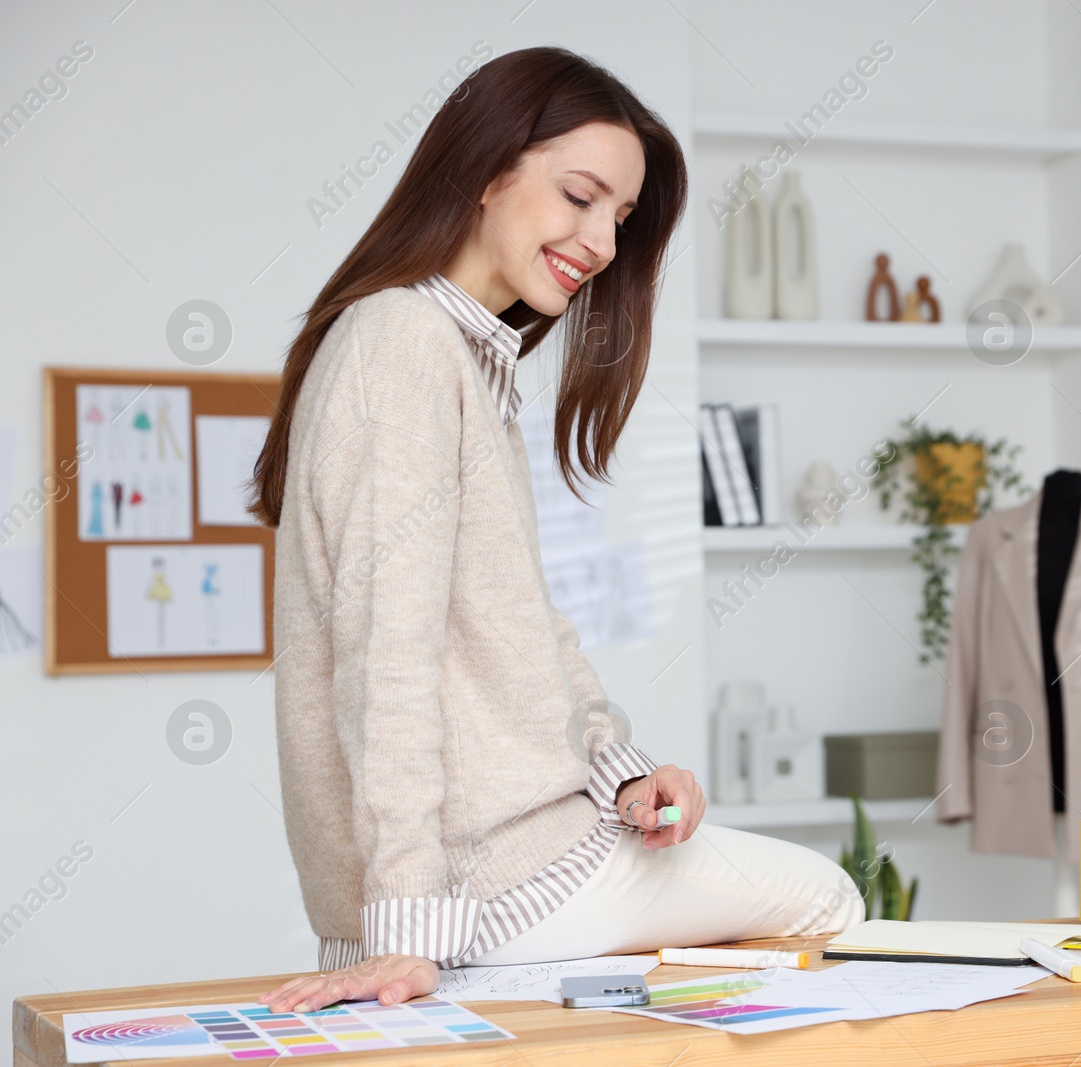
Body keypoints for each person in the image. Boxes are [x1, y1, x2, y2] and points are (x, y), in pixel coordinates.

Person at [248, 46, 864, 1015]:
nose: (603, 244)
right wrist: (406, 928)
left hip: (501, 867)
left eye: (619, 219)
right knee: (829, 895)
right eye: (580, 196)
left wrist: (623, 773)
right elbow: (387, 654)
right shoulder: (403, 342)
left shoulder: (457, 355)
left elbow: (517, 624)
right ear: (488, 168)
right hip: (484, 883)